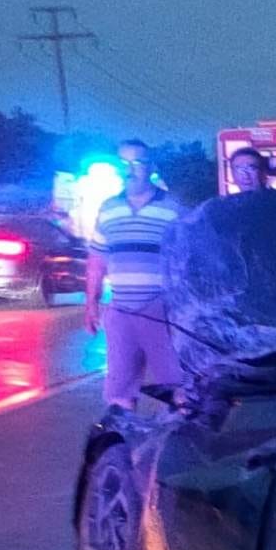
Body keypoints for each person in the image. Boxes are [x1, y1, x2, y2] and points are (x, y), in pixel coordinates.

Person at [85, 139, 182, 408]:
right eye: (123, 163)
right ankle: (122, 444)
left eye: (137, 162)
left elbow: (188, 260)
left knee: (178, 388)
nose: (130, 169)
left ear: (150, 167)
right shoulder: (108, 208)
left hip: (162, 311)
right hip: (120, 311)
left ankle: (181, 443)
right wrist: (91, 302)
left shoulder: (172, 209)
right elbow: (97, 259)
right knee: (119, 390)